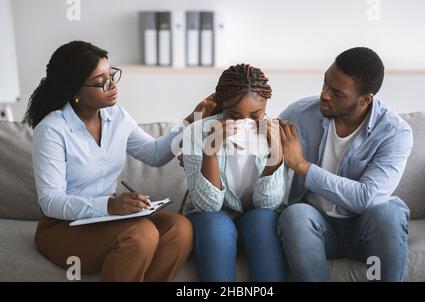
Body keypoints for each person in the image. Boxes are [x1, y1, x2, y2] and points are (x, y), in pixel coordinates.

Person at [22, 40, 216, 281]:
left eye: (111, 74)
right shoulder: (52, 129)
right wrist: (110, 205)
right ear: (75, 91)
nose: (112, 85)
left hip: (107, 221)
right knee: (141, 233)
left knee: (181, 228)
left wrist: (194, 118)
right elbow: (51, 201)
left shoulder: (117, 116)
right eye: (101, 81)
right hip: (62, 227)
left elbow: (155, 154)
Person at [277, 47, 413, 281]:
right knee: (295, 214)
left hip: (366, 231)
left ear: (365, 99)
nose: (325, 95)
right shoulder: (299, 114)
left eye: (337, 93)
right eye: (325, 83)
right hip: (318, 228)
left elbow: (367, 197)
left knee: (387, 214)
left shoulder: (394, 132)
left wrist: (301, 165)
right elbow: (258, 149)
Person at [182, 64, 288, 282]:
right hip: (212, 218)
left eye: (255, 115)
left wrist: (275, 154)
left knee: (264, 219)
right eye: (235, 116)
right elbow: (207, 206)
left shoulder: (274, 133)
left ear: (266, 106)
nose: (245, 123)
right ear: (223, 106)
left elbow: (268, 203)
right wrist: (210, 151)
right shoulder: (197, 132)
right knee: (216, 224)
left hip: (257, 217)